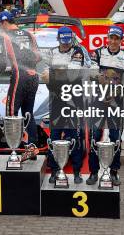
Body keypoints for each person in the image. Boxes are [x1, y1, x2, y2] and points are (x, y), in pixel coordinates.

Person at [87, 25, 124, 186]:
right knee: (94, 135)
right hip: (98, 100)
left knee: (115, 137)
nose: (113, 41)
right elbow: (92, 72)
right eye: (111, 38)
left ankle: (114, 172)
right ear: (107, 38)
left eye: (117, 38)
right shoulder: (98, 52)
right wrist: (100, 77)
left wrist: (115, 91)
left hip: (116, 101)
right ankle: (93, 171)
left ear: (121, 40)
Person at [41, 26, 88, 184]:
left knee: (74, 137)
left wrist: (54, 75)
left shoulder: (78, 51)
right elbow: (44, 75)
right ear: (58, 39)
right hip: (55, 100)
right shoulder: (51, 52)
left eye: (68, 41)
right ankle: (54, 170)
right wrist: (54, 76)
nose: (66, 45)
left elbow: (73, 75)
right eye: (63, 42)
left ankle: (76, 172)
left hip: (74, 100)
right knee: (54, 137)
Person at [0, 10, 41, 152]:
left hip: (20, 76)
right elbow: (38, 57)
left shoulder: (4, 36)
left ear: (4, 22)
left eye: (0, 24)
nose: (0, 27)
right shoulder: (30, 34)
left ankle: (14, 148)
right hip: (33, 76)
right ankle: (32, 147)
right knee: (28, 112)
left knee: (11, 112)